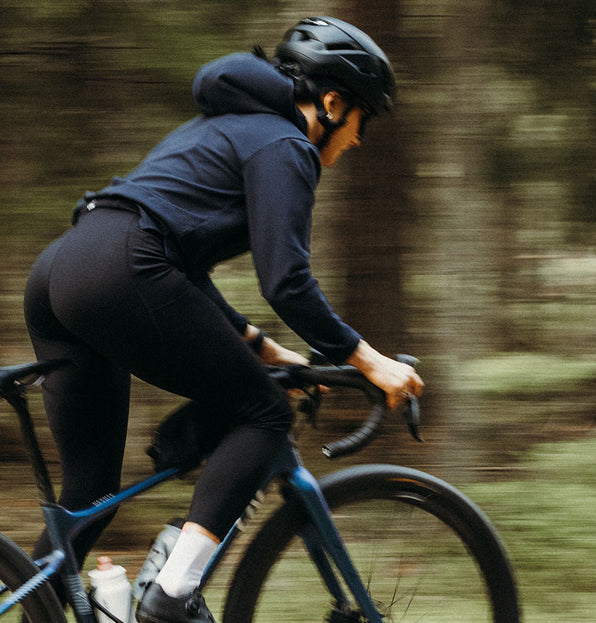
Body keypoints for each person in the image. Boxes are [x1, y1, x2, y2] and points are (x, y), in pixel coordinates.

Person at [22, 16, 423, 623]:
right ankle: (171, 598)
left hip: (64, 272)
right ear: (334, 103)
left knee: (90, 498)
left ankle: (42, 611)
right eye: (364, 120)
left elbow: (175, 270)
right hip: (122, 269)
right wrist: (369, 361)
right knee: (263, 412)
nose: (359, 140)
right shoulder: (287, 144)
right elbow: (286, 280)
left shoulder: (229, 124)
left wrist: (272, 352)